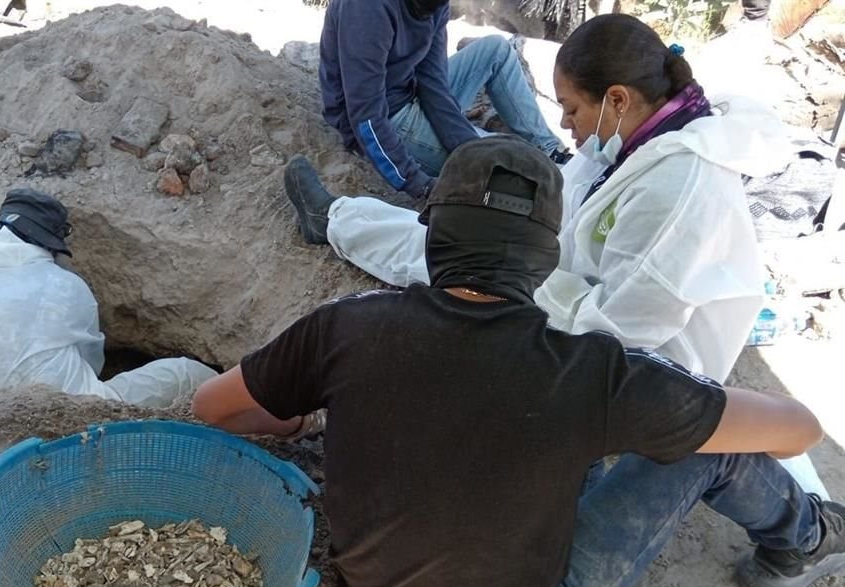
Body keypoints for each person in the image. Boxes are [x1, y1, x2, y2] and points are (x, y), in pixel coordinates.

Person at [192, 136, 843, 587]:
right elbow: (800, 429)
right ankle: (808, 542)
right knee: (710, 443)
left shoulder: (346, 326)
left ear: (434, 232)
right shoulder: (591, 372)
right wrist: (689, 406)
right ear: (545, 254)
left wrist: (293, 422)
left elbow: (209, 407)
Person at [285, 13, 828, 498]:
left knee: (475, 288)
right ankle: (334, 218)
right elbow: (569, 202)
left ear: (616, 98)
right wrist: (499, 227)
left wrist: (521, 281)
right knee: (456, 241)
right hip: (574, 286)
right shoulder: (632, 137)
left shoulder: (682, 184)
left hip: (636, 353)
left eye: (570, 108)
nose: (565, 124)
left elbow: (624, 329)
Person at [0, 188, 217, 409]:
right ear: (48, 243)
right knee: (183, 373)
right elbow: (92, 362)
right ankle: (229, 389)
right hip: (53, 409)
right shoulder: (63, 285)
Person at [315, 0, 567, 207]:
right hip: (387, 115)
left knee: (496, 50)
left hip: (409, 90)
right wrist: (419, 183)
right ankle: (543, 176)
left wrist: (465, 143)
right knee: (502, 167)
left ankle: (551, 151)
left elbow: (433, 83)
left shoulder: (434, 5)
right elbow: (365, 115)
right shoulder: (367, 8)